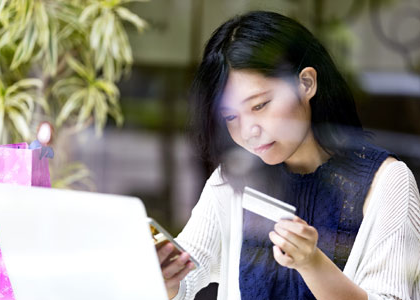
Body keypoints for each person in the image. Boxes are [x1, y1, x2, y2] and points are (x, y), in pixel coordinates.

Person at [156, 11, 420, 300]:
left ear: (306, 83)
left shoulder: (389, 183)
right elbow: (187, 275)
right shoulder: (234, 176)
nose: (248, 131)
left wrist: (312, 264)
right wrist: (167, 279)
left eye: (259, 105)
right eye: (231, 116)